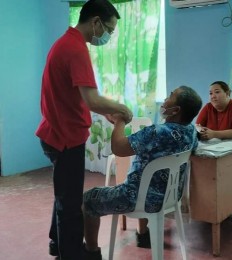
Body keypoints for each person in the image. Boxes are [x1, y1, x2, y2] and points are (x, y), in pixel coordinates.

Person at [35, 1, 132, 259]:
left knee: (65, 194)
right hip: (65, 138)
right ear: (96, 22)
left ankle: (57, 244)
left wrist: (107, 111)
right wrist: (120, 108)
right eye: (109, 29)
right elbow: (92, 99)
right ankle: (71, 254)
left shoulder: (65, 43)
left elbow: (76, 96)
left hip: (55, 131)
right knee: (70, 205)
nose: (108, 36)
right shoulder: (75, 49)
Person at [82, 86, 202, 259]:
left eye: (170, 96)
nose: (166, 99)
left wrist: (119, 122)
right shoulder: (191, 132)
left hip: (135, 198)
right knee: (145, 182)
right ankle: (143, 234)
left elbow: (119, 148)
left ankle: (91, 253)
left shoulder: (156, 132)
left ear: (175, 110)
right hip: (168, 197)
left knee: (88, 200)